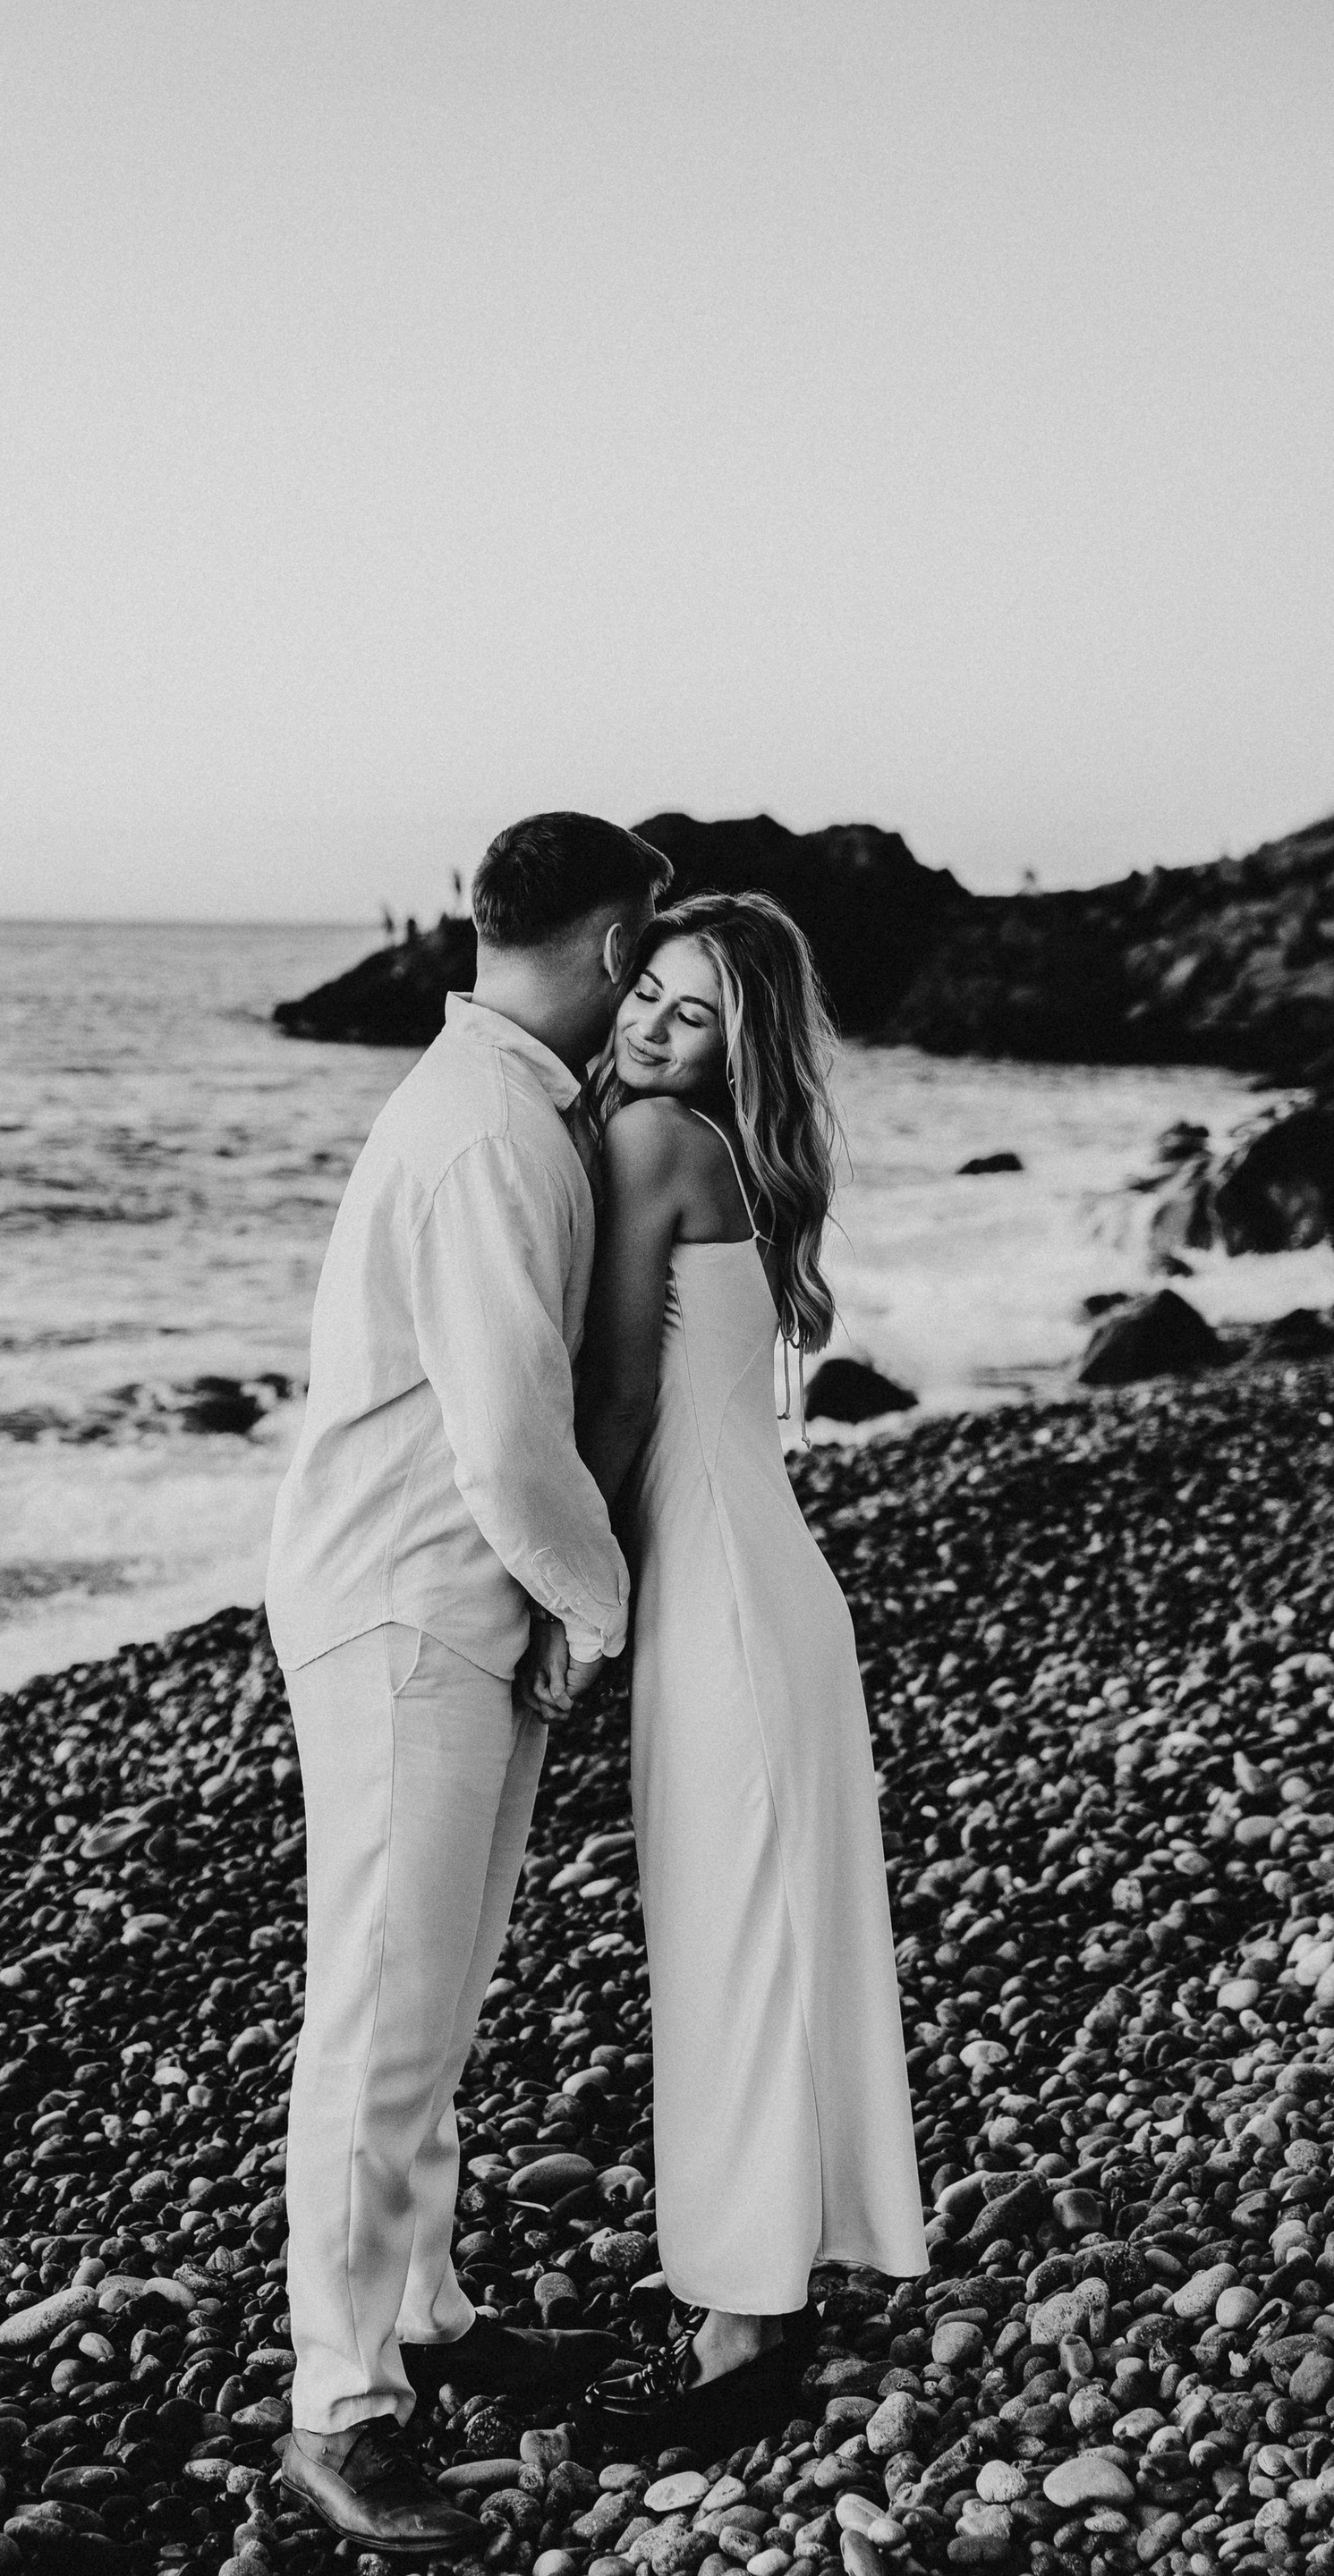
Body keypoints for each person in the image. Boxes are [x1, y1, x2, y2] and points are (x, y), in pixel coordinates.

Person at [265, 812, 674, 2551]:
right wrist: (601, 1608)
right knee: (377, 2009)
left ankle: (424, 2308)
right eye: (647, 949)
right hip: (402, 1609)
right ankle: (341, 2403)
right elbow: (510, 1436)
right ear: (613, 946)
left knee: (433, 1991)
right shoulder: (491, 1128)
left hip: (446, 1600)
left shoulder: (499, 1101)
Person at [566, 890, 928, 2453]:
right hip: (758, 1590)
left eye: (693, 1011)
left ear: (739, 1041)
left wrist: (566, 1596)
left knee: (735, 1945)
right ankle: (764, 2277)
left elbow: (614, 1404)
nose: (653, 1025)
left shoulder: (657, 1141)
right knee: (759, 1934)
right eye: (645, 990)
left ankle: (747, 2326)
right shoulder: (725, 1147)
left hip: (722, 1602)